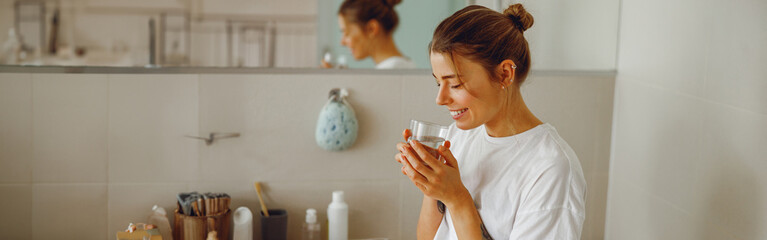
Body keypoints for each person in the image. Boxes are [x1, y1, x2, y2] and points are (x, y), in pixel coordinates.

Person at [395, 4, 586, 240]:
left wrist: (458, 199)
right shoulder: (458, 137)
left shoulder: (551, 169)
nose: (440, 99)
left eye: (454, 84)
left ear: (505, 74)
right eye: (438, 83)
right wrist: (431, 185)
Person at [322, 0, 416, 69]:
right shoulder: (401, 67)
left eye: (346, 33)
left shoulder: (392, 72)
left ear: (371, 29)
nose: (342, 42)